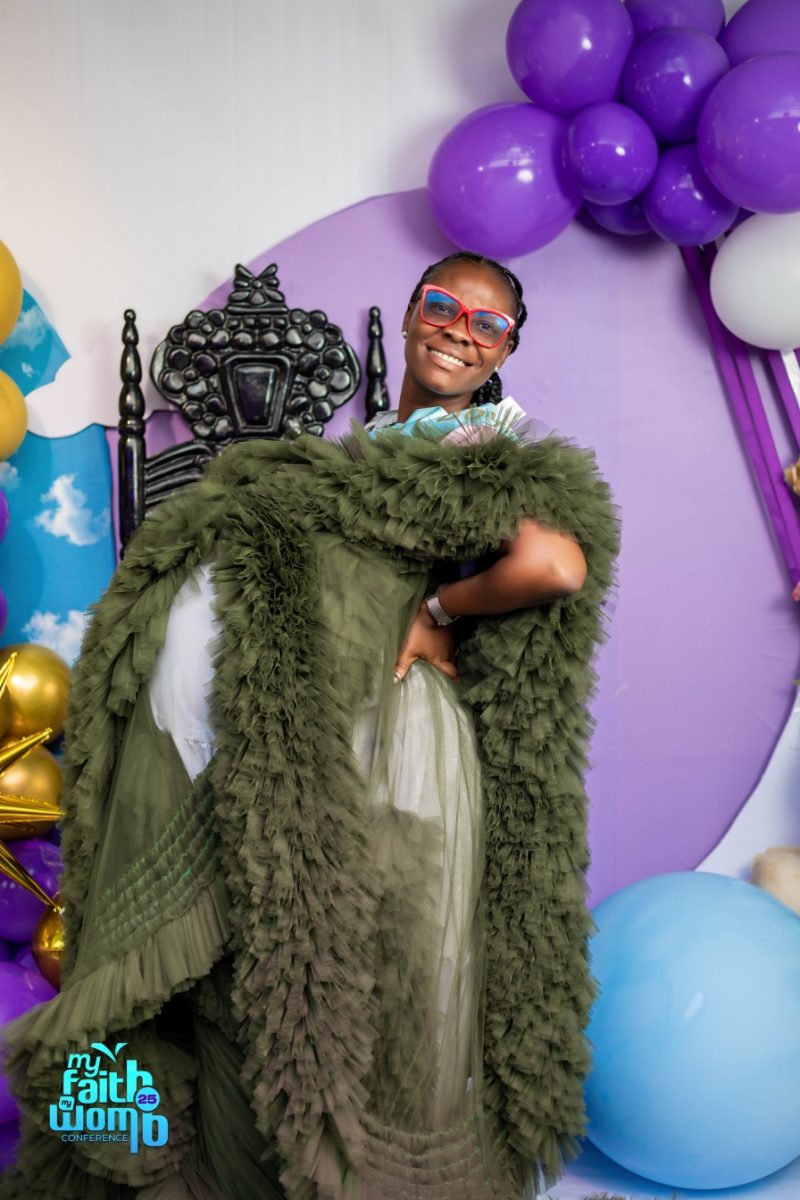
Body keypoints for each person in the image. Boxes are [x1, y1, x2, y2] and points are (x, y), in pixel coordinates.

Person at [1, 253, 619, 1200]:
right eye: (444, 306)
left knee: (384, 966)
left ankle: (362, 1173)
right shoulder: (362, 451)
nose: (460, 331)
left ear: (505, 352)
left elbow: (556, 565)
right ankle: (248, 1162)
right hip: (300, 729)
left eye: (487, 324)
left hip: (399, 738)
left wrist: (440, 610)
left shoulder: (489, 448)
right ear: (411, 313)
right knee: (267, 961)